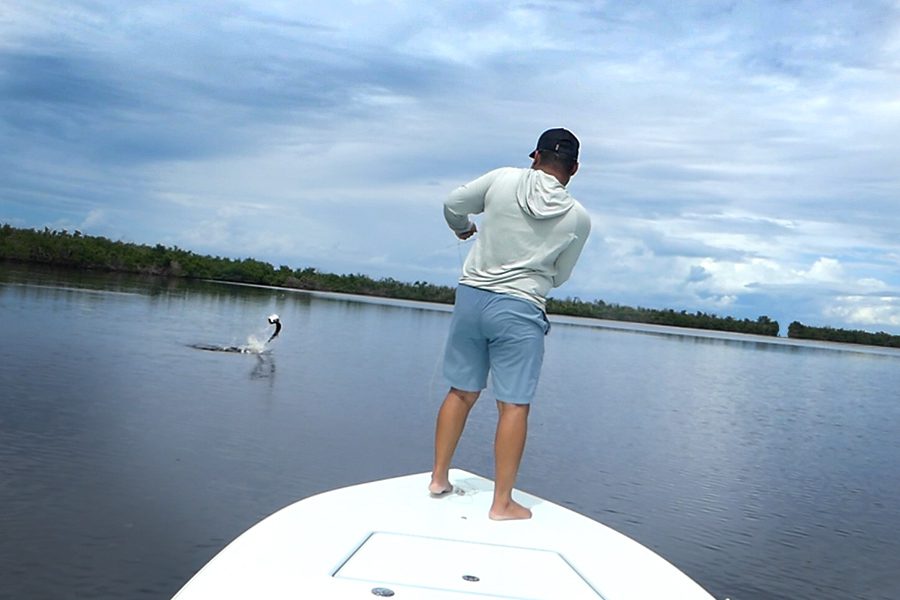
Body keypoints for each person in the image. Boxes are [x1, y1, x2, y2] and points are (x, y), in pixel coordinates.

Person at [429, 128, 592, 520]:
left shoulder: (501, 179)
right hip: (520, 309)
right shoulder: (578, 218)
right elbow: (561, 276)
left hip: (472, 299)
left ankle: (438, 478)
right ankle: (501, 504)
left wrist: (462, 228)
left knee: (461, 391)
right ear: (574, 168)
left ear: (535, 155)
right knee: (513, 406)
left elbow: (453, 203)